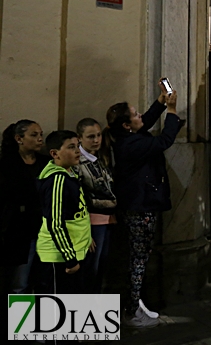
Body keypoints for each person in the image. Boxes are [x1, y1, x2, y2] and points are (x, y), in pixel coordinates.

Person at [106, 80, 182, 327]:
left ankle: (136, 303)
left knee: (140, 257)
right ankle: (131, 310)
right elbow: (164, 141)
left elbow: (145, 121)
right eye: (135, 114)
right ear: (127, 125)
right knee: (138, 259)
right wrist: (171, 111)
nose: (141, 116)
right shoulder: (132, 144)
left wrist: (160, 103)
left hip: (140, 204)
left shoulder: (128, 135)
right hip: (140, 208)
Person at [35, 130, 91, 296]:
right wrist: (70, 259)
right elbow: (56, 222)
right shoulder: (57, 180)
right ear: (55, 153)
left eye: (78, 146)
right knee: (55, 308)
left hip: (74, 249)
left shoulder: (70, 173)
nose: (77, 151)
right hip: (58, 256)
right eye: (71, 147)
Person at [0, 120, 48, 294]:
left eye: (41, 135)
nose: (39, 139)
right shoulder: (8, 165)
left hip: (45, 228)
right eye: (34, 135)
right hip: (19, 231)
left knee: (43, 279)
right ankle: (19, 319)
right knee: (19, 281)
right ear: (19, 139)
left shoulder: (46, 162)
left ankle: (40, 318)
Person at [75, 118, 117, 294]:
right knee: (89, 269)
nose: (96, 140)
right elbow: (79, 197)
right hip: (91, 222)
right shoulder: (78, 163)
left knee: (101, 267)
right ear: (80, 138)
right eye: (90, 136)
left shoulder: (101, 158)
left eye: (98, 135)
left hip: (107, 219)